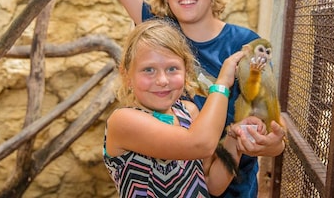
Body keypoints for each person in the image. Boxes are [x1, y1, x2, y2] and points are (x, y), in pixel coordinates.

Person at [87, 0, 286, 197]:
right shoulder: (161, 35)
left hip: (231, 187)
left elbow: (270, 134)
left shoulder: (247, 46)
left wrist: (267, 142)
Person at [104, 19, 264, 197]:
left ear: (186, 71)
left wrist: (234, 141)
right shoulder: (123, 121)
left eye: (172, 68)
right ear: (127, 76)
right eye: (149, 70)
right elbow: (200, 144)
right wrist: (222, 83)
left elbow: (212, 183)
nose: (163, 80)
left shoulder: (189, 112)